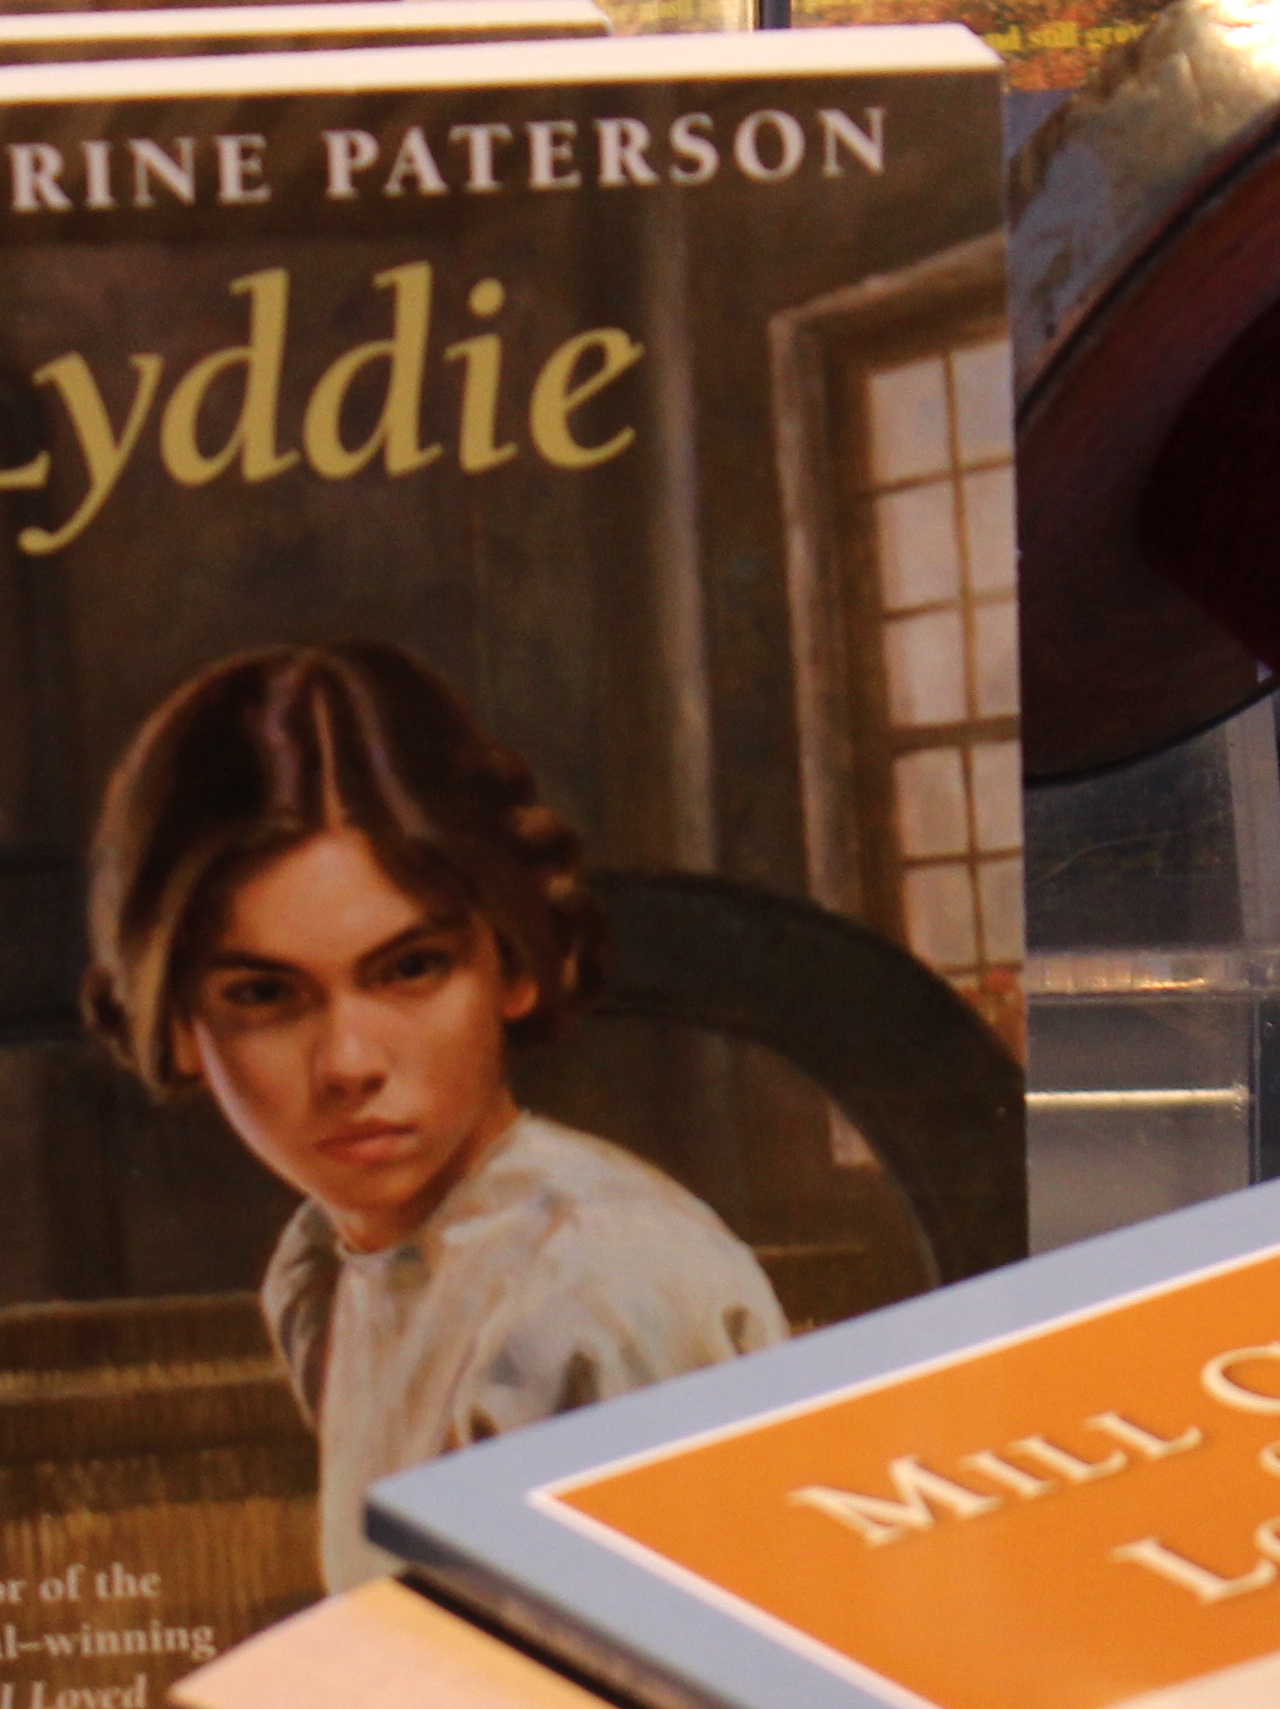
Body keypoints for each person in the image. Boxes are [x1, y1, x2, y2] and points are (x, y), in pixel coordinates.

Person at [83, 641, 784, 1591]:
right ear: (175, 1028)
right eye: (263, 994)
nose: (349, 1064)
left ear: (518, 963)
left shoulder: (600, 1293)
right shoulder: (318, 1271)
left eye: (410, 969)